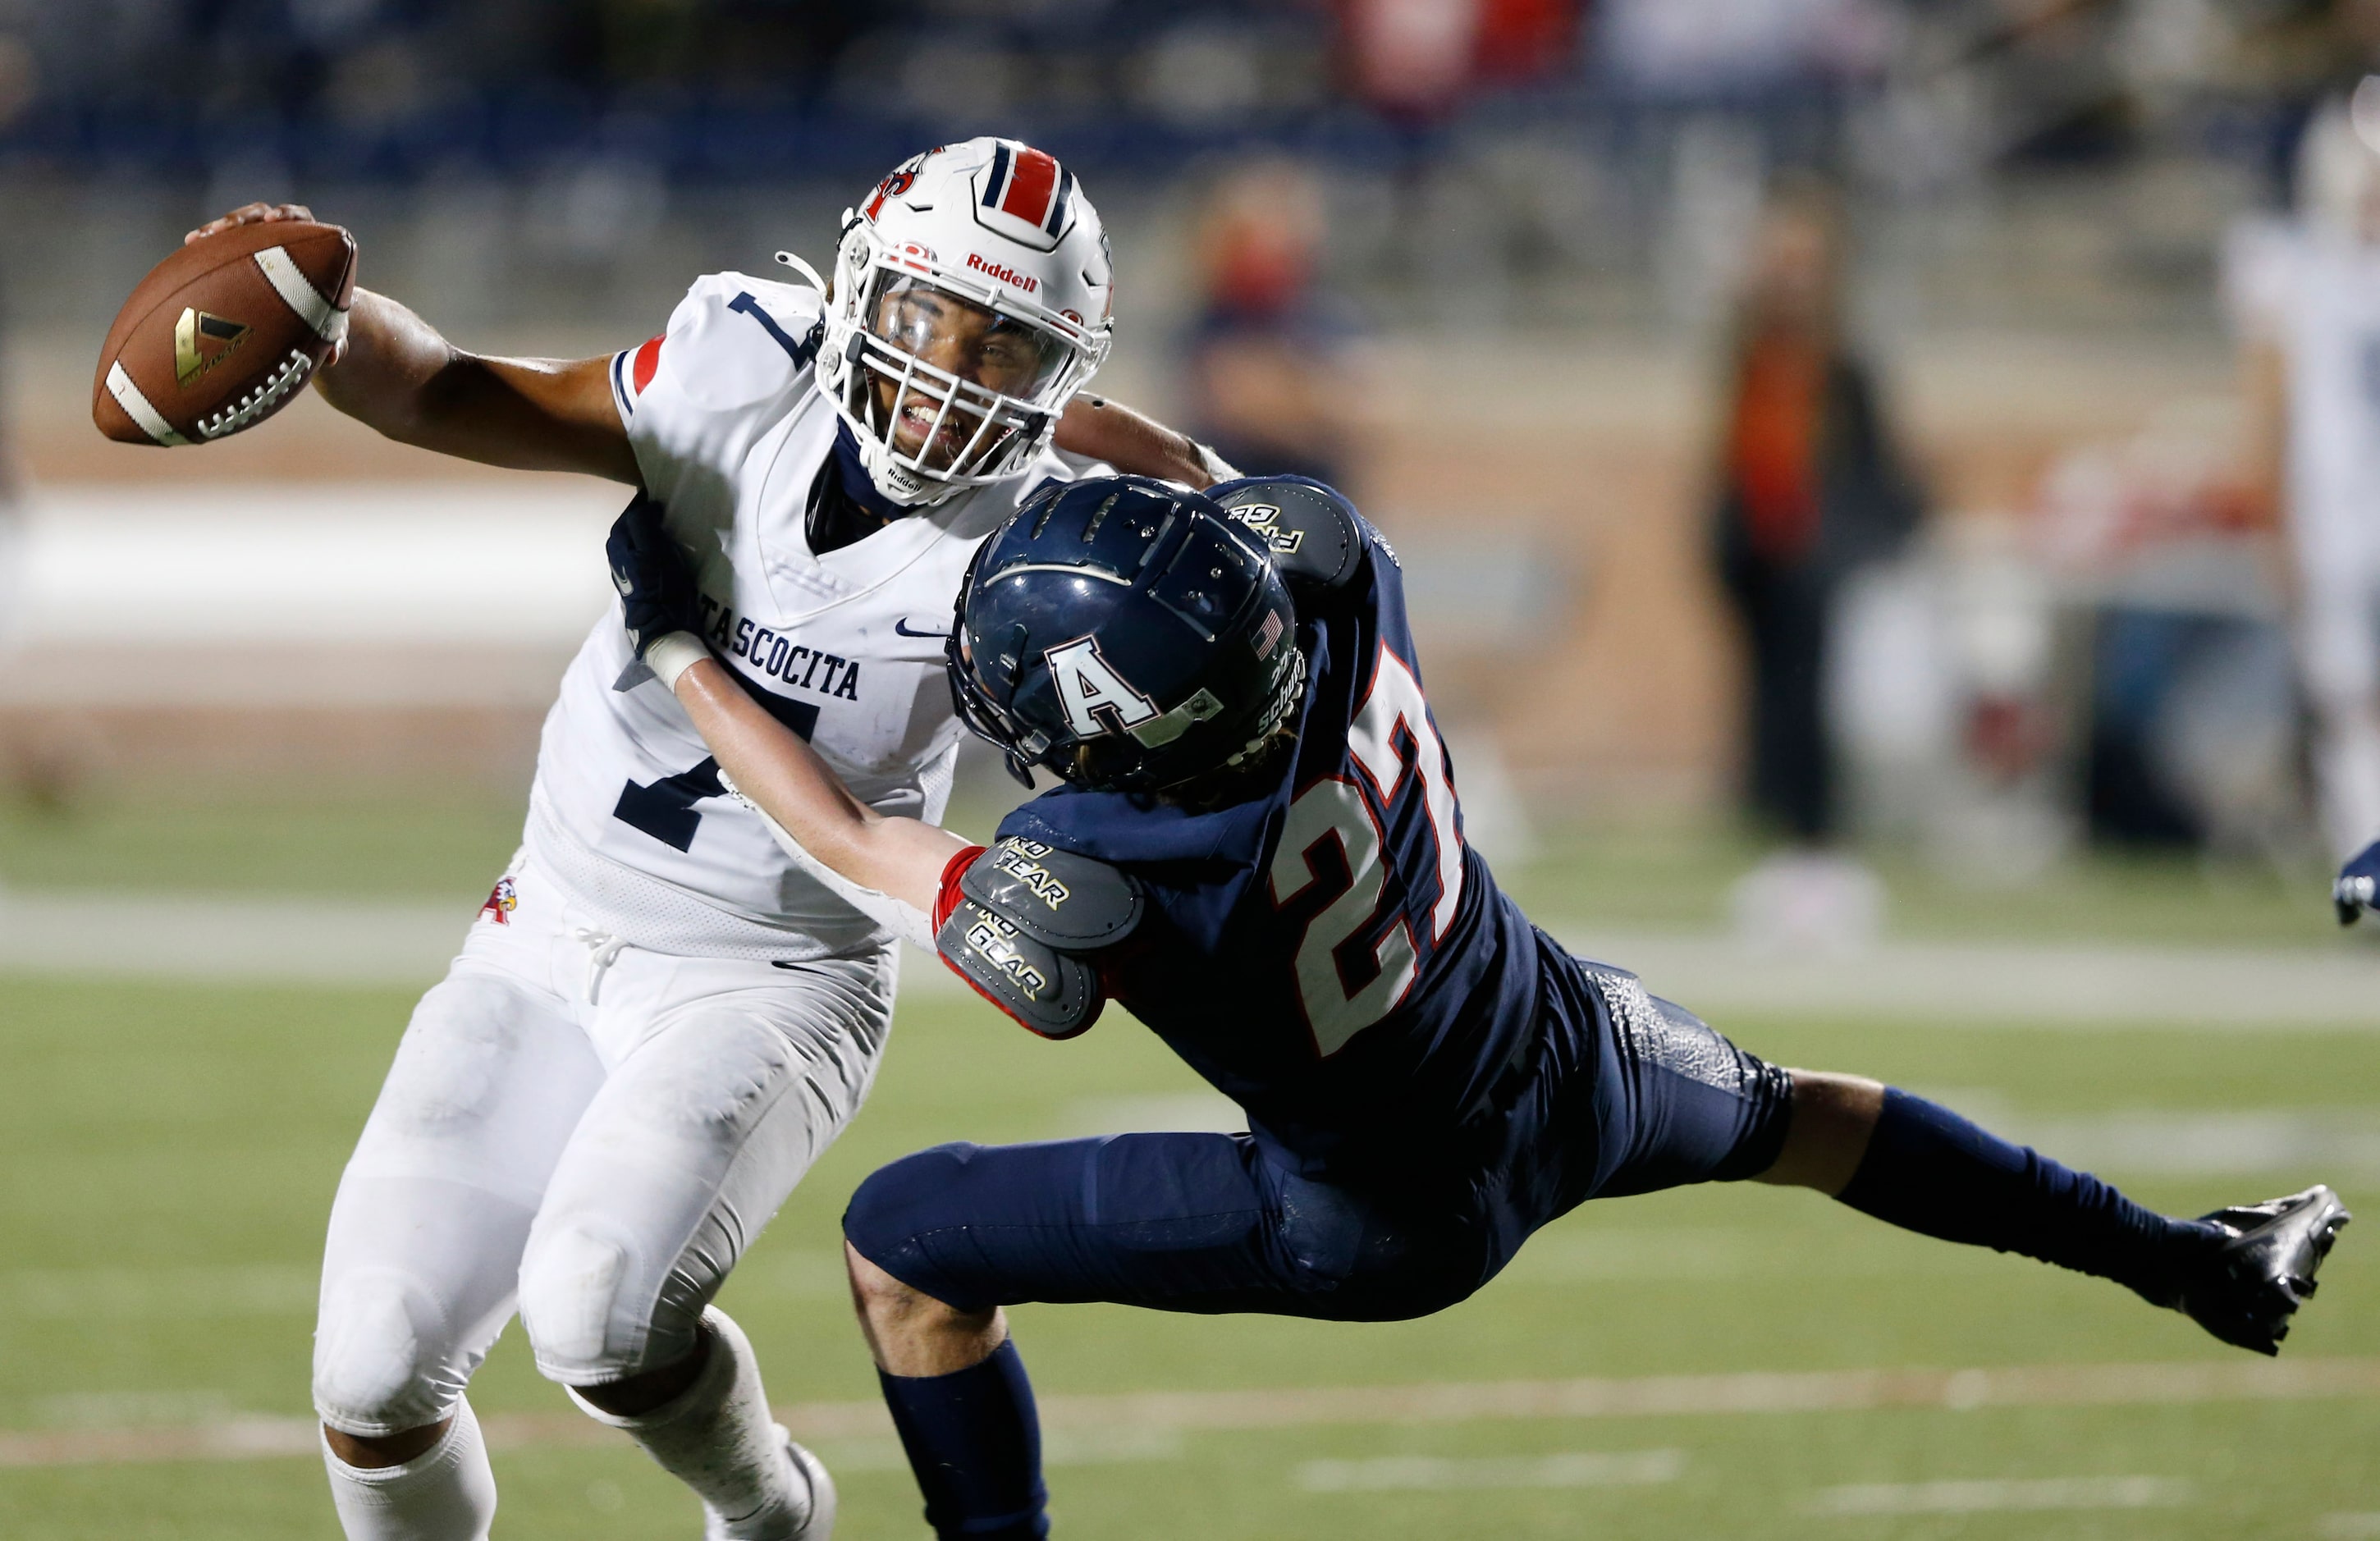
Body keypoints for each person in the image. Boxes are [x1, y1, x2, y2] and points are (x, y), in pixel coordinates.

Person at [611, 473, 2350, 1541]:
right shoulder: (1346, 587)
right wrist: (1088, 454)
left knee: (903, 1242)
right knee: (1817, 1119)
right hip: (1562, 1054)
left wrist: (680, 651)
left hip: (1377, 1219)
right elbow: (1217, 503)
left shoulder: (1090, 866)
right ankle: (2185, 1261)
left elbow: (850, 833)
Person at [195, 138, 1230, 1541]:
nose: (943, 384)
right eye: (930, 319)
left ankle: (768, 1510)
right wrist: (319, 313)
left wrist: (1172, 474)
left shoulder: (1038, 541)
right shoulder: (741, 362)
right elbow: (438, 388)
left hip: (772, 972)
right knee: (371, 1367)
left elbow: (878, 838)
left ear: (1058, 369)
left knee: (598, 1313)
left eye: (1001, 348)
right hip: (550, 923)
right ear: (863, 284)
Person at [1708, 179, 1923, 944]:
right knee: (1771, 713)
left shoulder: (1843, 366)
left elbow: (1884, 477)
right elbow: (1733, 466)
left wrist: (1842, 551)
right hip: (1762, 566)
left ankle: (1824, 855)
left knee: (1819, 711)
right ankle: (1784, 852)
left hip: (1820, 570)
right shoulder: (1749, 356)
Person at [2230, 84, 2380, 862]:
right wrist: (2275, 519)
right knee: (2347, 701)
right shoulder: (2296, 269)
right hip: (2337, 520)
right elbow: (2269, 413)